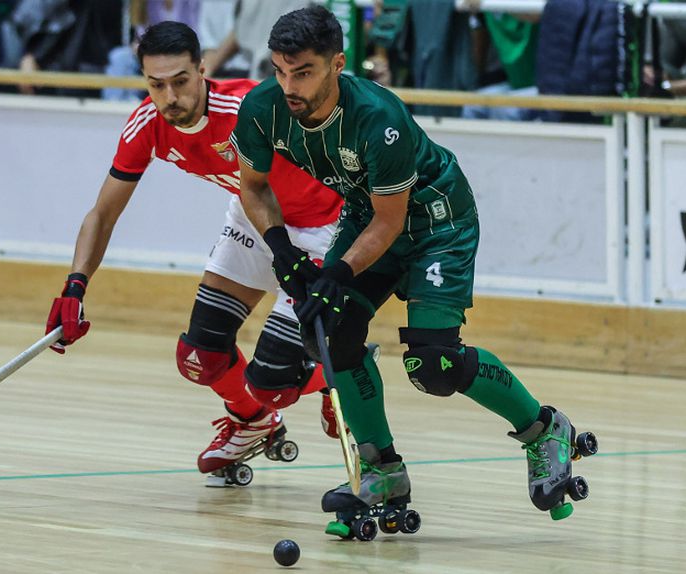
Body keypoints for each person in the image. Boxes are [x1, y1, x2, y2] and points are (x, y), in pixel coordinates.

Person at [231, 5, 596, 528]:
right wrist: (282, 251)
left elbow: (390, 222)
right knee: (331, 335)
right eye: (280, 70)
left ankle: (544, 430)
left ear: (338, 64)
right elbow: (254, 185)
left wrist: (336, 273)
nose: (289, 85)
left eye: (304, 72)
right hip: (367, 213)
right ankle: (382, 469)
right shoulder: (263, 107)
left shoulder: (380, 119)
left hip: (435, 220)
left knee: (434, 364)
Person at [44, 21, 346, 482]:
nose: (170, 98)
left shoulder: (251, 105)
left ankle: (339, 367)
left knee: (276, 381)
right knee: (198, 356)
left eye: (181, 82)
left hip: (324, 225)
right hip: (255, 217)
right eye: (156, 85)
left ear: (203, 70)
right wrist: (74, 285)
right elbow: (102, 215)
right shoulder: (148, 123)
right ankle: (252, 423)